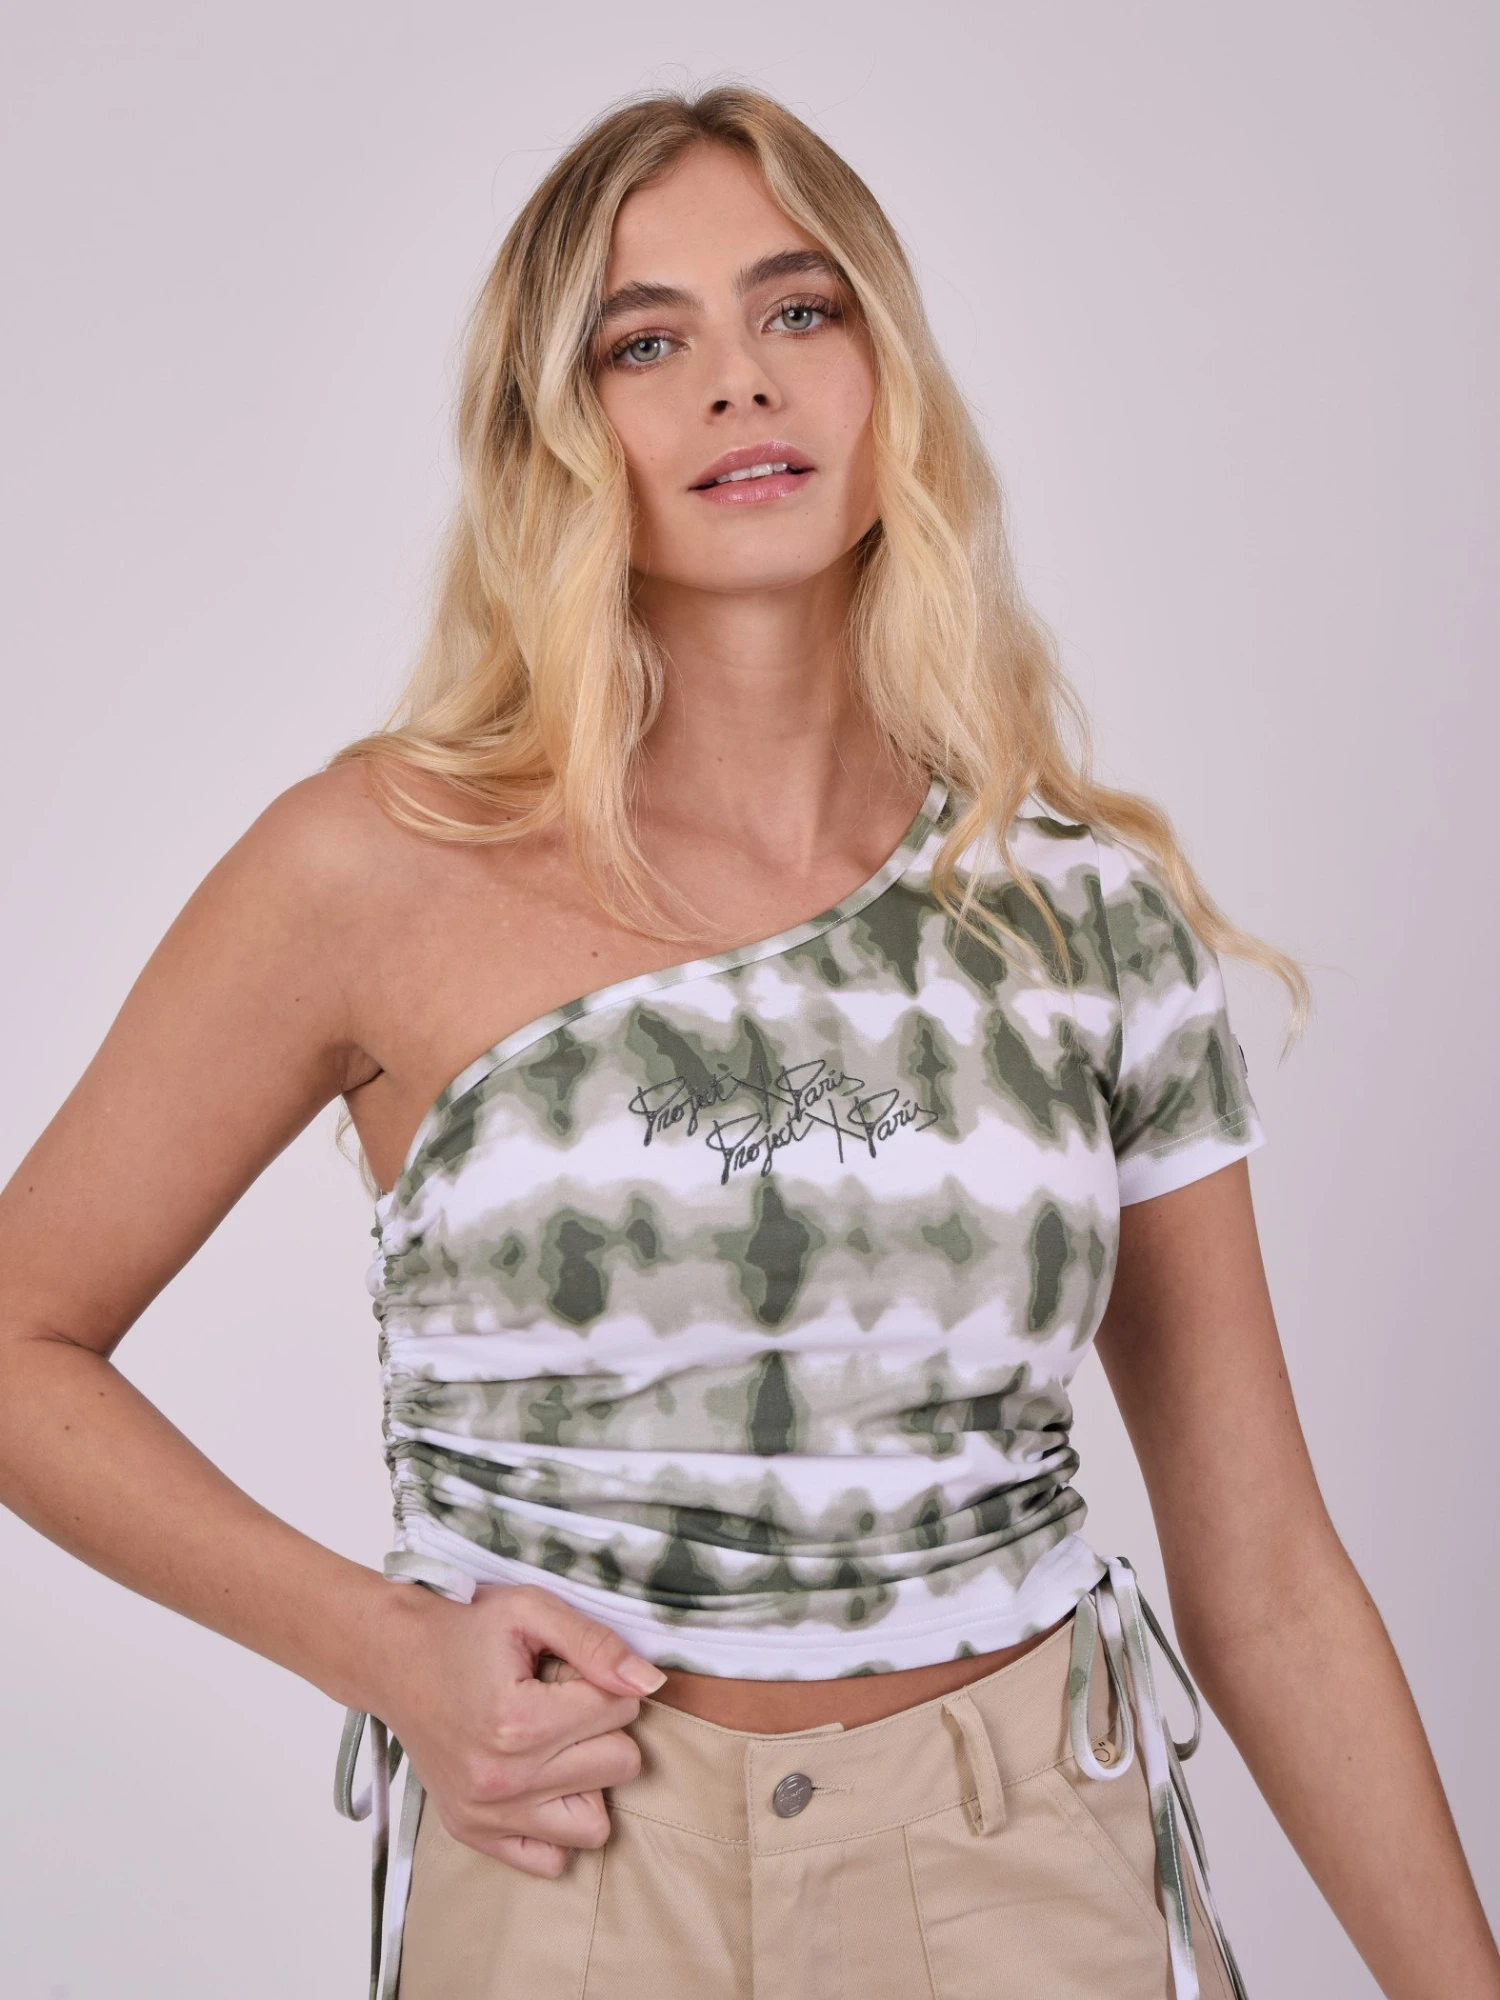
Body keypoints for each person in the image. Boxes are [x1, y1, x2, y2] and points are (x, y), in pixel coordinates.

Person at [0, 82, 1494, 2000]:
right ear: (555, 428)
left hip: (1021, 1873)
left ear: (889, 373)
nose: (741, 382)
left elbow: (1268, 1573)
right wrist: (385, 1652)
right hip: (569, 1870)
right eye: (647, 342)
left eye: (800, 309)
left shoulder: (1080, 916)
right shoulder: (370, 868)